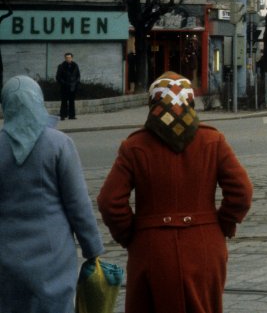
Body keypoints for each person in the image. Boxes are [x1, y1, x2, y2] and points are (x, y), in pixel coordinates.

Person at [98, 71, 253, 313]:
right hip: (205, 247)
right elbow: (242, 191)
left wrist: (131, 235)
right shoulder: (213, 141)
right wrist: (222, 224)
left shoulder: (135, 146)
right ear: (190, 103)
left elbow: (109, 201)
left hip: (151, 249)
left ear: (153, 105)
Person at [0, 76, 104, 313]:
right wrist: (92, 250)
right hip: (53, 256)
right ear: (39, 101)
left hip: (6, 258)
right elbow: (78, 205)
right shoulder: (59, 144)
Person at [55, 51, 80, 120]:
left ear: (72, 58)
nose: (68, 59)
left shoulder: (75, 66)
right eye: (67, 58)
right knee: (64, 102)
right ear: (65, 58)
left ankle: (72, 115)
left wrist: (76, 83)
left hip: (73, 87)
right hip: (64, 87)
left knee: (72, 101)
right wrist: (64, 83)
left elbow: (78, 76)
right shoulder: (61, 66)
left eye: (69, 57)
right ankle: (63, 115)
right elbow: (58, 77)